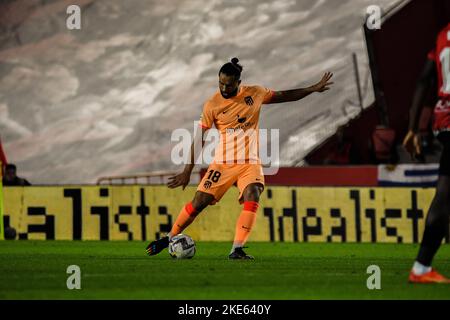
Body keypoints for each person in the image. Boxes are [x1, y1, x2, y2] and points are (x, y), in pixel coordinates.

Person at [146, 57, 333, 259]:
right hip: (223, 163)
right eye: (220, 83)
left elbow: (285, 95)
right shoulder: (212, 105)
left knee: (253, 194)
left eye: (228, 84)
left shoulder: (255, 93)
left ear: (238, 82)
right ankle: (169, 237)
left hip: (249, 163)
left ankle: (237, 249)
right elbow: (199, 139)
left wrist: (313, 88)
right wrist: (187, 171)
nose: (224, 88)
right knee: (199, 202)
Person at [403, 22, 450, 283]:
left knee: (445, 193)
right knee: (444, 195)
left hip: (444, 120)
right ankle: (421, 267)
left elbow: (424, 80)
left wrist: (412, 129)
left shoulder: (443, 34)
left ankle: (422, 267)